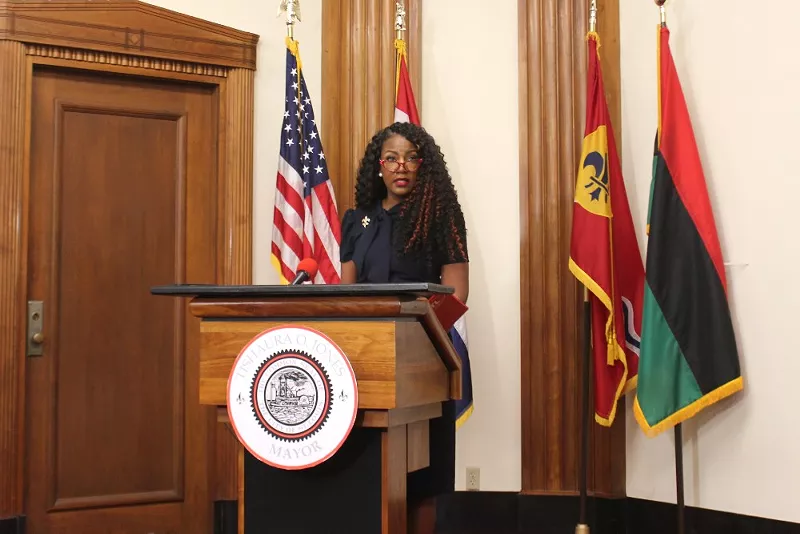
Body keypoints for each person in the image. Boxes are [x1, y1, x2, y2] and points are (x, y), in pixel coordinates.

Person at [339, 121, 469, 530]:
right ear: (379, 166)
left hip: (423, 361)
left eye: (412, 158)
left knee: (422, 479)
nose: (402, 166)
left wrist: (412, 340)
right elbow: (346, 296)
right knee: (371, 471)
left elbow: (457, 296)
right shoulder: (356, 220)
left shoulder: (440, 217)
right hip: (366, 363)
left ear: (423, 166)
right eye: (392, 158)